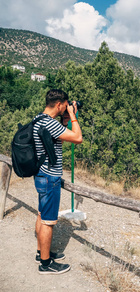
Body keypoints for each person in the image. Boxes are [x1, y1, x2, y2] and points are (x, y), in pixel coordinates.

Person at [33, 89, 82, 275]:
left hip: (41, 175)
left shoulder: (39, 119)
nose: (67, 107)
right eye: (66, 105)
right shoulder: (48, 124)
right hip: (49, 178)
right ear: (60, 104)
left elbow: (58, 139)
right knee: (48, 221)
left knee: (41, 214)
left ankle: (41, 253)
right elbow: (77, 137)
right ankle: (46, 265)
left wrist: (65, 120)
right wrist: (73, 116)